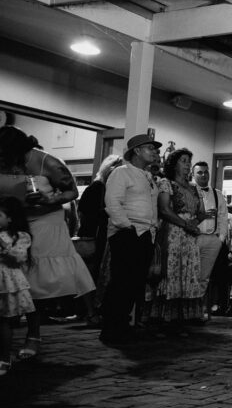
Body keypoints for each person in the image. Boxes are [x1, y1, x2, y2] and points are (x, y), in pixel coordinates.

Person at [0, 126, 95, 357]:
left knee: (31, 279)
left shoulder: (46, 162)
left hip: (44, 222)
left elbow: (72, 192)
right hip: (10, 221)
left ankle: (33, 333)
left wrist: (48, 199)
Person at [102, 133, 161, 345]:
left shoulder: (147, 176)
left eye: (155, 149)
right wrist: (127, 227)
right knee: (121, 282)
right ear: (136, 151)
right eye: (150, 148)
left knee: (135, 282)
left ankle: (123, 325)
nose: (155, 152)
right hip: (128, 233)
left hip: (146, 233)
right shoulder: (122, 173)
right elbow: (112, 203)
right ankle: (111, 327)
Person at [151, 148, 206, 333]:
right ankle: (168, 314)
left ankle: (187, 314)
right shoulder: (166, 184)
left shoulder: (194, 187)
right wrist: (185, 224)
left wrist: (194, 223)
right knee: (173, 268)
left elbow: (202, 212)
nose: (187, 164)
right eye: (183, 161)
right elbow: (165, 209)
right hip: (173, 231)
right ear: (174, 164)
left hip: (189, 235)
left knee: (189, 269)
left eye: (189, 161)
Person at [76, 154, 123, 322]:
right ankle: (89, 310)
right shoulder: (97, 187)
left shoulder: (113, 188)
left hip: (105, 235)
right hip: (95, 235)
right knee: (92, 273)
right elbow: (83, 213)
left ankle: (96, 308)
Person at [0, 196, 35, 376]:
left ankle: (4, 359)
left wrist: (3, 244)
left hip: (7, 283)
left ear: (10, 218)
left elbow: (18, 258)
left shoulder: (20, 237)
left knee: (5, 321)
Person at [191, 161, 228, 315]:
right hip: (194, 238)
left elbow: (223, 217)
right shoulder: (189, 192)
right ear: (193, 175)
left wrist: (220, 239)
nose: (204, 175)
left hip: (213, 239)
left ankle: (200, 310)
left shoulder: (217, 194)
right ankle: (190, 310)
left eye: (206, 172)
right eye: (200, 172)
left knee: (205, 277)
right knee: (191, 274)